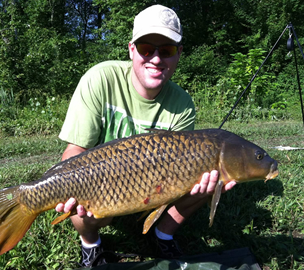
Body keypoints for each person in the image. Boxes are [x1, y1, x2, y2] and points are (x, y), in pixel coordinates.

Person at [55, 4, 236, 267]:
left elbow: (182, 170)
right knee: (81, 199)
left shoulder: (182, 103)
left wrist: (200, 187)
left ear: (179, 54)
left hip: (154, 186)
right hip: (103, 183)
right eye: (145, 49)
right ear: (131, 50)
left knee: (205, 179)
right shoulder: (100, 78)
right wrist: (71, 184)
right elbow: (74, 150)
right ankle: (91, 244)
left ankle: (162, 234)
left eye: (167, 50)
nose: (155, 58)